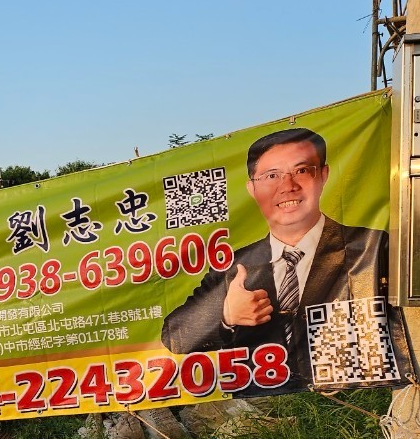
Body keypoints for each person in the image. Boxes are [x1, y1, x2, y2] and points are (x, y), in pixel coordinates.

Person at [160, 127, 388, 392]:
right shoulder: (235, 266)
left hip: (357, 400)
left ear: (323, 175)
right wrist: (226, 314)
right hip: (263, 410)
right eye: (271, 176)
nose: (288, 186)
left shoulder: (371, 246)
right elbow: (174, 337)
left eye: (302, 171)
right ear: (252, 188)